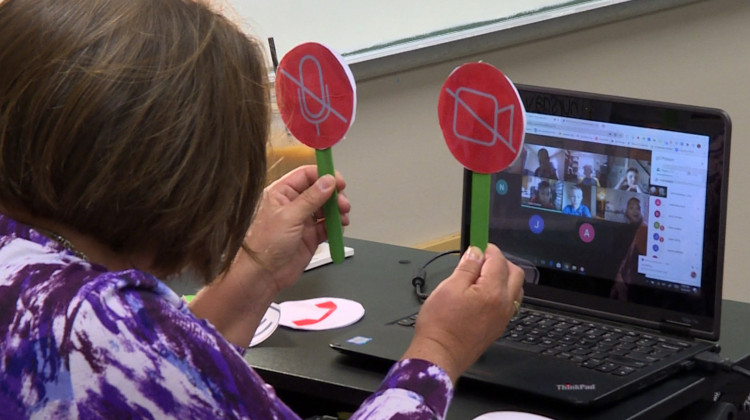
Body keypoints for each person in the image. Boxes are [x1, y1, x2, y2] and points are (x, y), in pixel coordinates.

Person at [0, 1, 525, 419]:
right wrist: (439, 349)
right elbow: (132, 357)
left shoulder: (37, 275)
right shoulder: (93, 326)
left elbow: (165, 373)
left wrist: (255, 271)